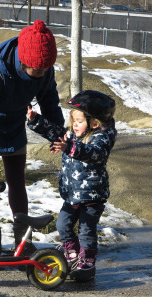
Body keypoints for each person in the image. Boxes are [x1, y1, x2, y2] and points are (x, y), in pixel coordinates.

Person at [0, 20, 64, 269]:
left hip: (13, 121)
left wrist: (58, 134)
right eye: (36, 70)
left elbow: (49, 101)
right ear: (23, 61)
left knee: (17, 178)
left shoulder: (44, 69)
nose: (41, 74)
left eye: (45, 69)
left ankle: (23, 239)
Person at [27, 90, 117, 282]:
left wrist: (69, 148)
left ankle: (87, 264)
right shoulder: (74, 133)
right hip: (73, 193)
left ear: (94, 123)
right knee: (63, 224)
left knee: (86, 230)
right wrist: (37, 121)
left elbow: (95, 153)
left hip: (92, 196)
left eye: (79, 121)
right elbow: (57, 133)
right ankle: (72, 256)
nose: (74, 125)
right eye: (73, 121)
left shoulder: (101, 137)